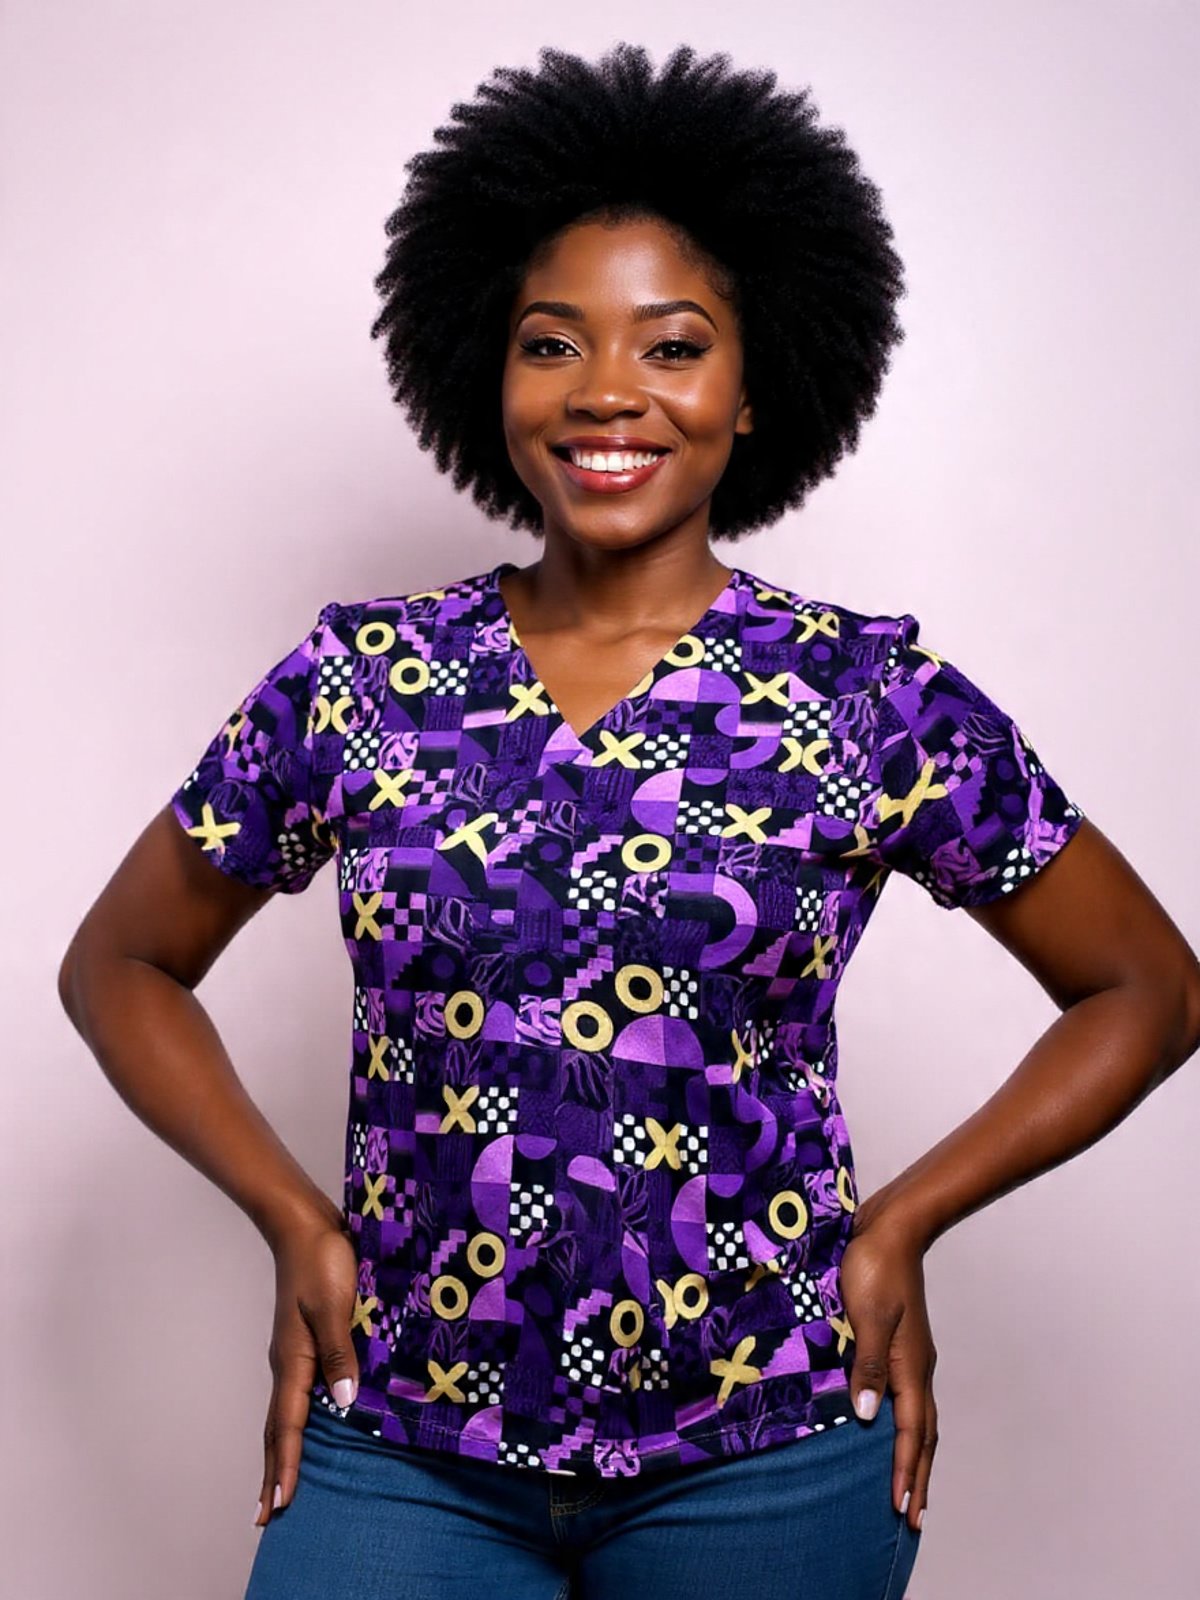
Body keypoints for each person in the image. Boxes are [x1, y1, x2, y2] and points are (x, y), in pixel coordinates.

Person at [58, 42, 1200, 1600]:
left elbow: (1147, 987)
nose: (608, 393)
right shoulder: (364, 681)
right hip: (402, 1433)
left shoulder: (867, 696)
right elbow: (118, 964)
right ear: (489, 375)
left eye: (673, 346)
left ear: (755, 389)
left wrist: (904, 1226)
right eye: (552, 345)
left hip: (771, 1445)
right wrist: (290, 1218)